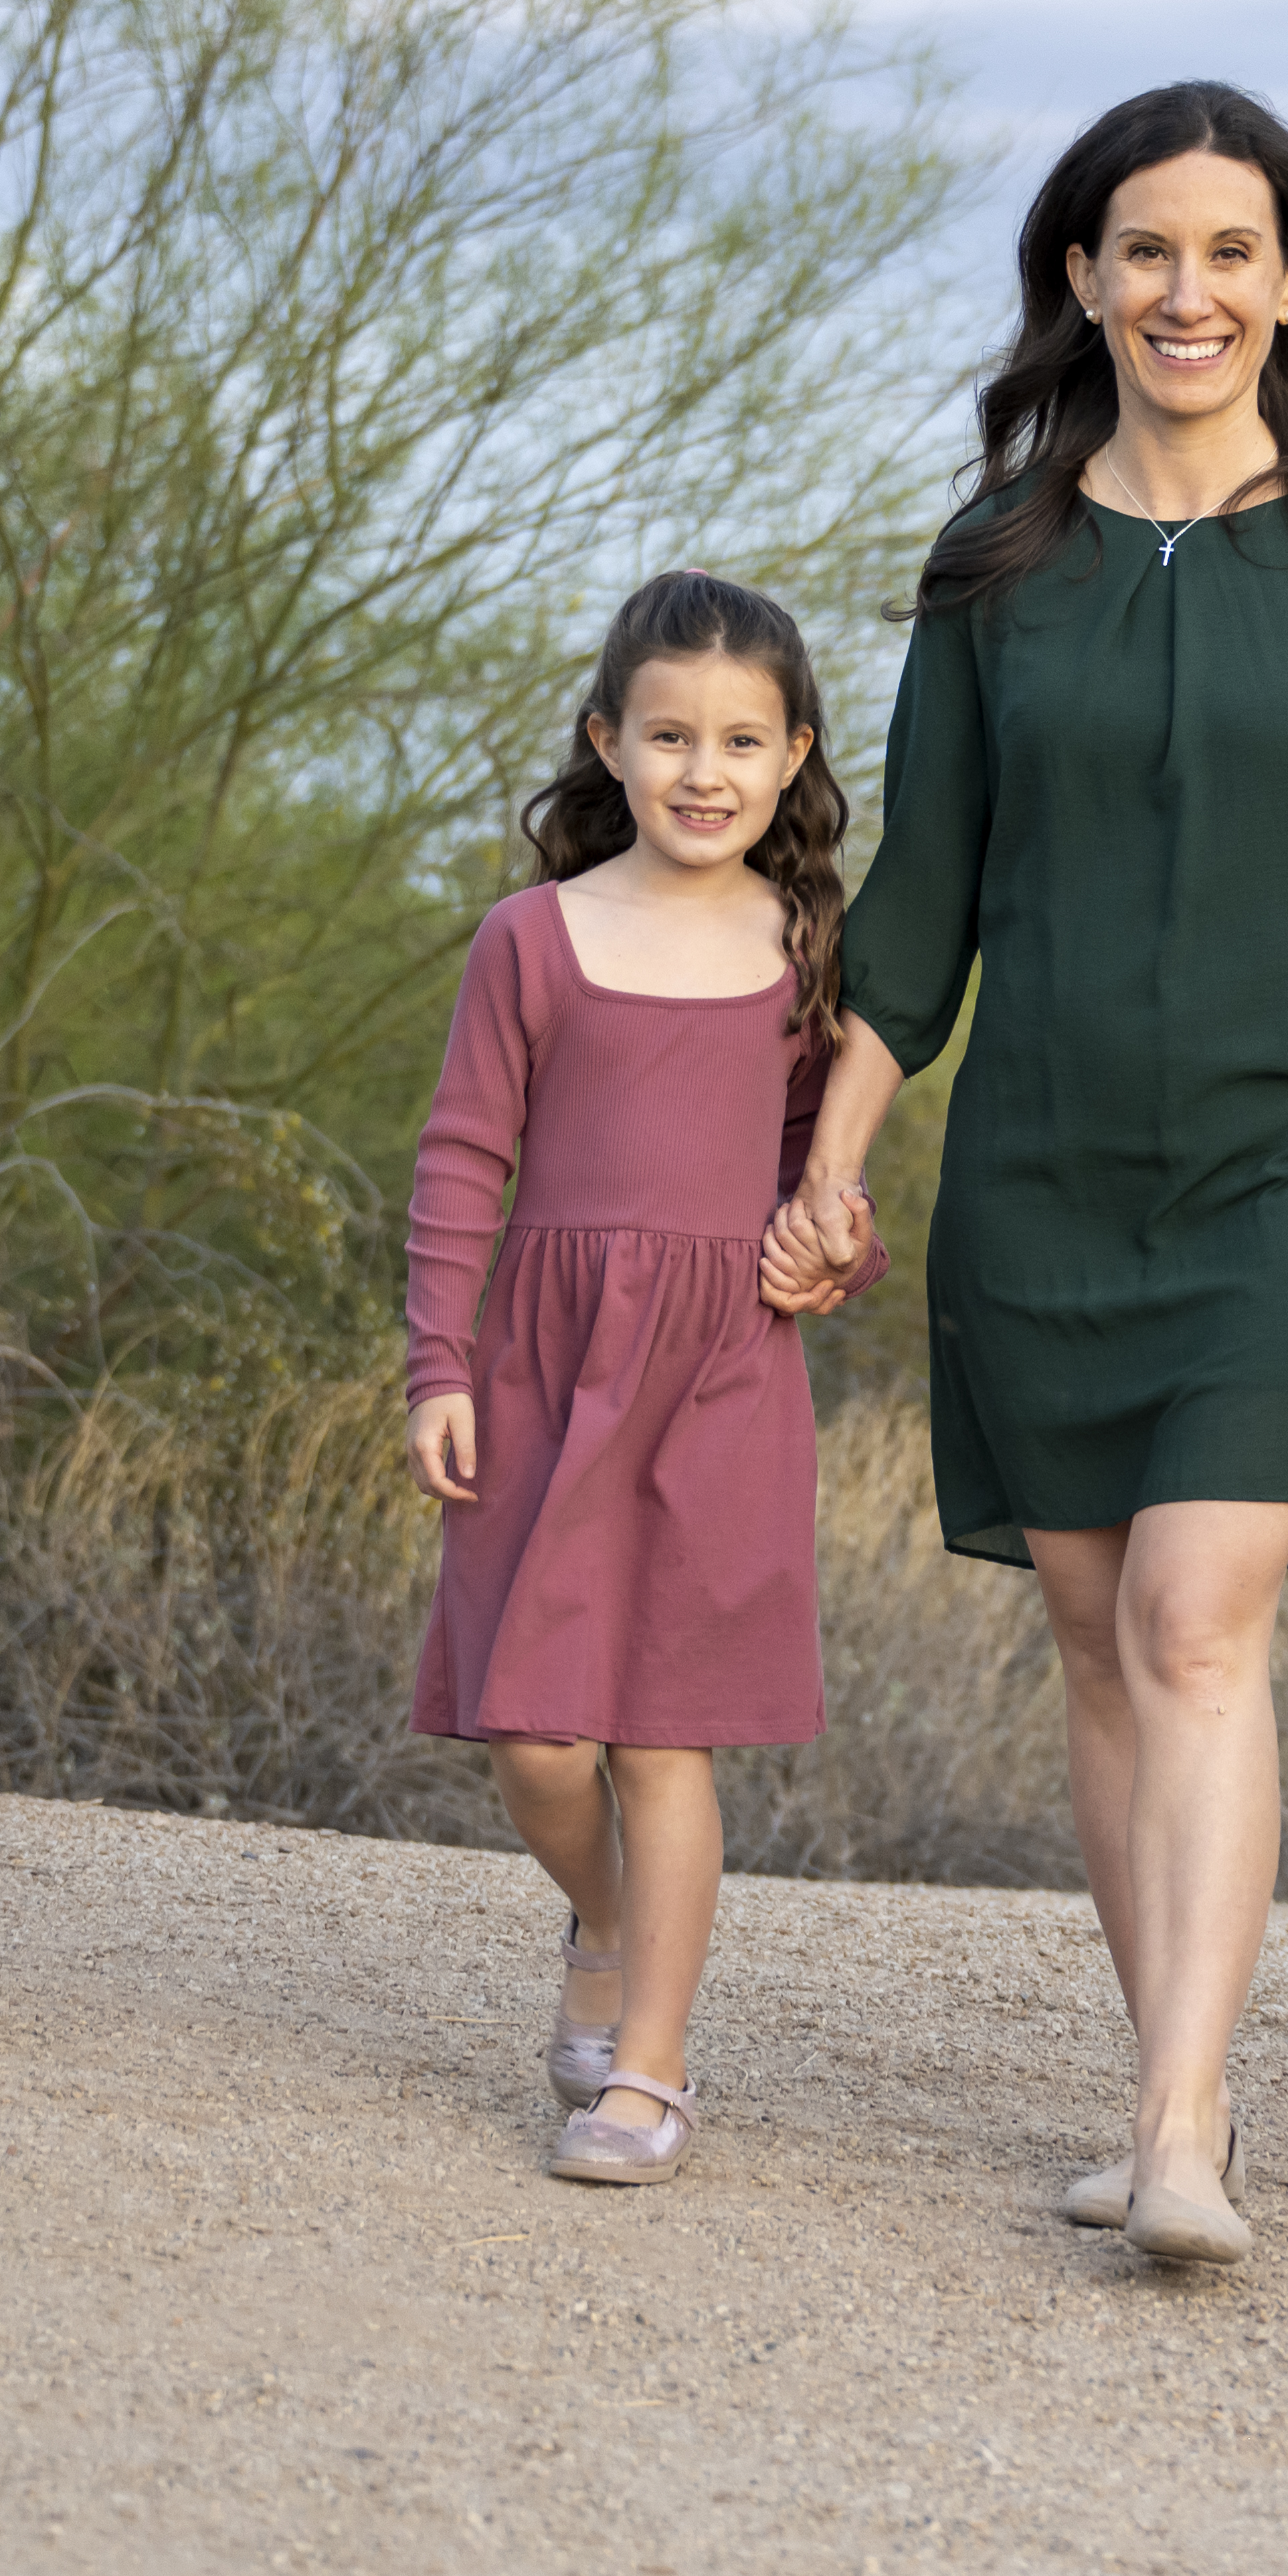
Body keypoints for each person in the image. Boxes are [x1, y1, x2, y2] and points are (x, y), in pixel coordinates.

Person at [759, 84, 1288, 2273]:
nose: (1185, 290)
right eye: (1146, 250)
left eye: (1230, 251)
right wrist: (831, 1165)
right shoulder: (999, 563)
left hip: (1287, 1173)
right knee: (1100, 1646)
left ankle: (1180, 2123)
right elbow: (924, 896)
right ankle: (1163, 2082)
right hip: (1039, 1180)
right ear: (1083, 279)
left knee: (1198, 1615)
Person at [405, 570, 882, 2188]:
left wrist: (835, 1255)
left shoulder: (808, 950)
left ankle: (650, 2073)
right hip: (543, 1368)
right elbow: (462, 1156)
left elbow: (826, 1180)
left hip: (721, 1373)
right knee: (538, 1739)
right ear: (606, 740)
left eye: (742, 741)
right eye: (669, 735)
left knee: (665, 1737)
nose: (703, 771)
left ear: (794, 755)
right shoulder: (530, 939)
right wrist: (437, 1362)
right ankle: (602, 1925)